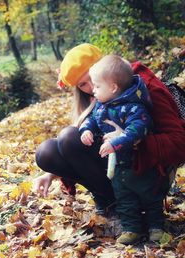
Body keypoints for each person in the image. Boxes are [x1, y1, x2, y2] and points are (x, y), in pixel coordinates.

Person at [34, 43, 185, 219]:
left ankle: (133, 208)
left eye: (92, 77)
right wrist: (51, 174)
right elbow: (79, 147)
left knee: (68, 136)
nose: (91, 88)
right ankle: (114, 207)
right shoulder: (96, 98)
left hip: (147, 173)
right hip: (116, 169)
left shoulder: (141, 84)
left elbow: (179, 142)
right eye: (83, 84)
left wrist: (130, 139)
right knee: (47, 151)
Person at [79, 54, 166, 245]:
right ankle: (131, 228)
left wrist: (115, 143)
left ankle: (156, 227)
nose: (93, 90)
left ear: (113, 87)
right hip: (118, 165)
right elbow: (92, 120)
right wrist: (86, 130)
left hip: (139, 163)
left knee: (150, 196)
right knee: (124, 198)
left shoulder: (134, 108)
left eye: (97, 86)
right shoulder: (101, 106)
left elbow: (137, 130)